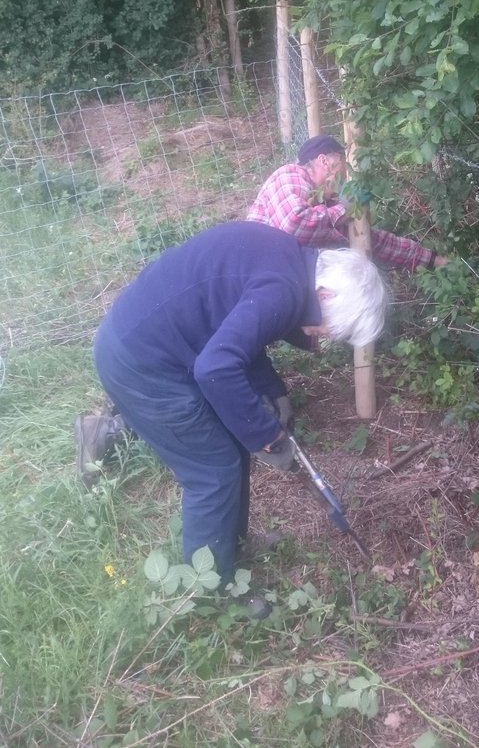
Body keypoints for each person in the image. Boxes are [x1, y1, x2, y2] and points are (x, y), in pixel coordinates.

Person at [75, 221, 388, 590]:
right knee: (213, 469)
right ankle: (212, 587)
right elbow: (216, 368)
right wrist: (266, 436)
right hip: (141, 362)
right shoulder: (283, 290)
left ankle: (229, 547)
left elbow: (236, 324)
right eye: (334, 329)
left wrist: (272, 391)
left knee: (229, 451)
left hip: (151, 340)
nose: (327, 338)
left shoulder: (287, 261)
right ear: (327, 295)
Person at [247, 135, 448, 272]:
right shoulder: (290, 174)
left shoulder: (324, 204)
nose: (343, 180)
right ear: (324, 162)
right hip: (249, 267)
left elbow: (375, 241)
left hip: (273, 275)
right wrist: (348, 208)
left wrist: (433, 260)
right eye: (342, 170)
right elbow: (295, 224)